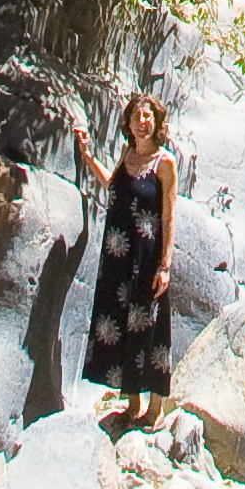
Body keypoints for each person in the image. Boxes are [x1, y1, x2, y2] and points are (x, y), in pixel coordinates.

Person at [76, 89, 177, 427]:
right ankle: (132, 404)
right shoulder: (127, 153)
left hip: (146, 258)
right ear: (129, 124)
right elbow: (112, 183)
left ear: (157, 122)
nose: (142, 122)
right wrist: (89, 155)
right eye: (136, 117)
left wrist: (165, 264)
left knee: (149, 325)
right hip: (117, 256)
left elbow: (168, 216)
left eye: (148, 117)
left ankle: (154, 408)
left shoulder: (165, 163)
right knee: (119, 321)